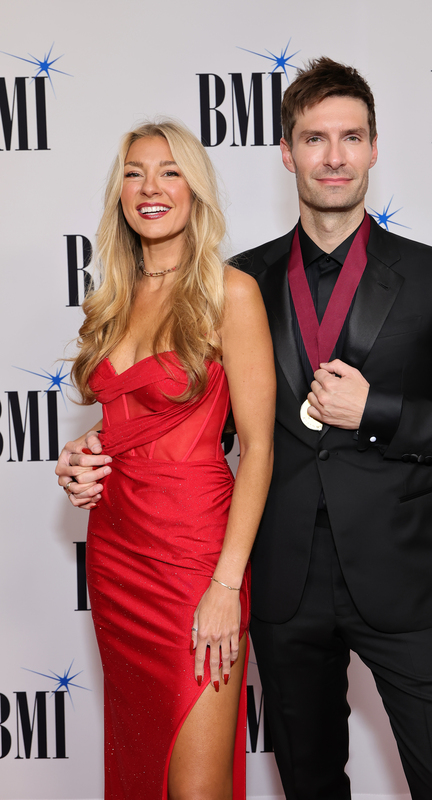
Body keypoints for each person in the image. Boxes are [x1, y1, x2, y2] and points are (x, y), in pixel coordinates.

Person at [58, 60, 432, 799]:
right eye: (313, 138)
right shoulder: (234, 283)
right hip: (280, 582)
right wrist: (96, 448)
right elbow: (198, 421)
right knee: (307, 786)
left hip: (405, 585)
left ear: (374, 148)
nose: (333, 156)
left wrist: (378, 411)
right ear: (285, 152)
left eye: (350, 137)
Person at [56, 119, 275, 800]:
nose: (150, 188)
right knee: (139, 764)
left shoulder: (229, 293)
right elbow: (132, 419)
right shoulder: (112, 300)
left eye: (169, 172)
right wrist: (83, 453)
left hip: (195, 556)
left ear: (195, 189)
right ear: (119, 192)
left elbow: (259, 448)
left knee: (197, 788)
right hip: (117, 553)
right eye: (134, 173)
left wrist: (226, 584)